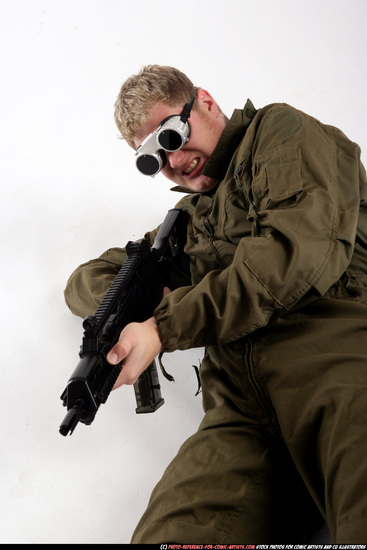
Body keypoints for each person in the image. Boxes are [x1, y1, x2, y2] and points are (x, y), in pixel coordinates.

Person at [64, 65, 367, 543]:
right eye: (151, 160)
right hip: (240, 410)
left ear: (204, 101)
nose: (173, 161)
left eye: (172, 135)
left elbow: (294, 255)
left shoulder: (279, 133)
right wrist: (135, 304)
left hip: (335, 364)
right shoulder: (188, 222)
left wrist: (163, 326)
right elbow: (87, 278)